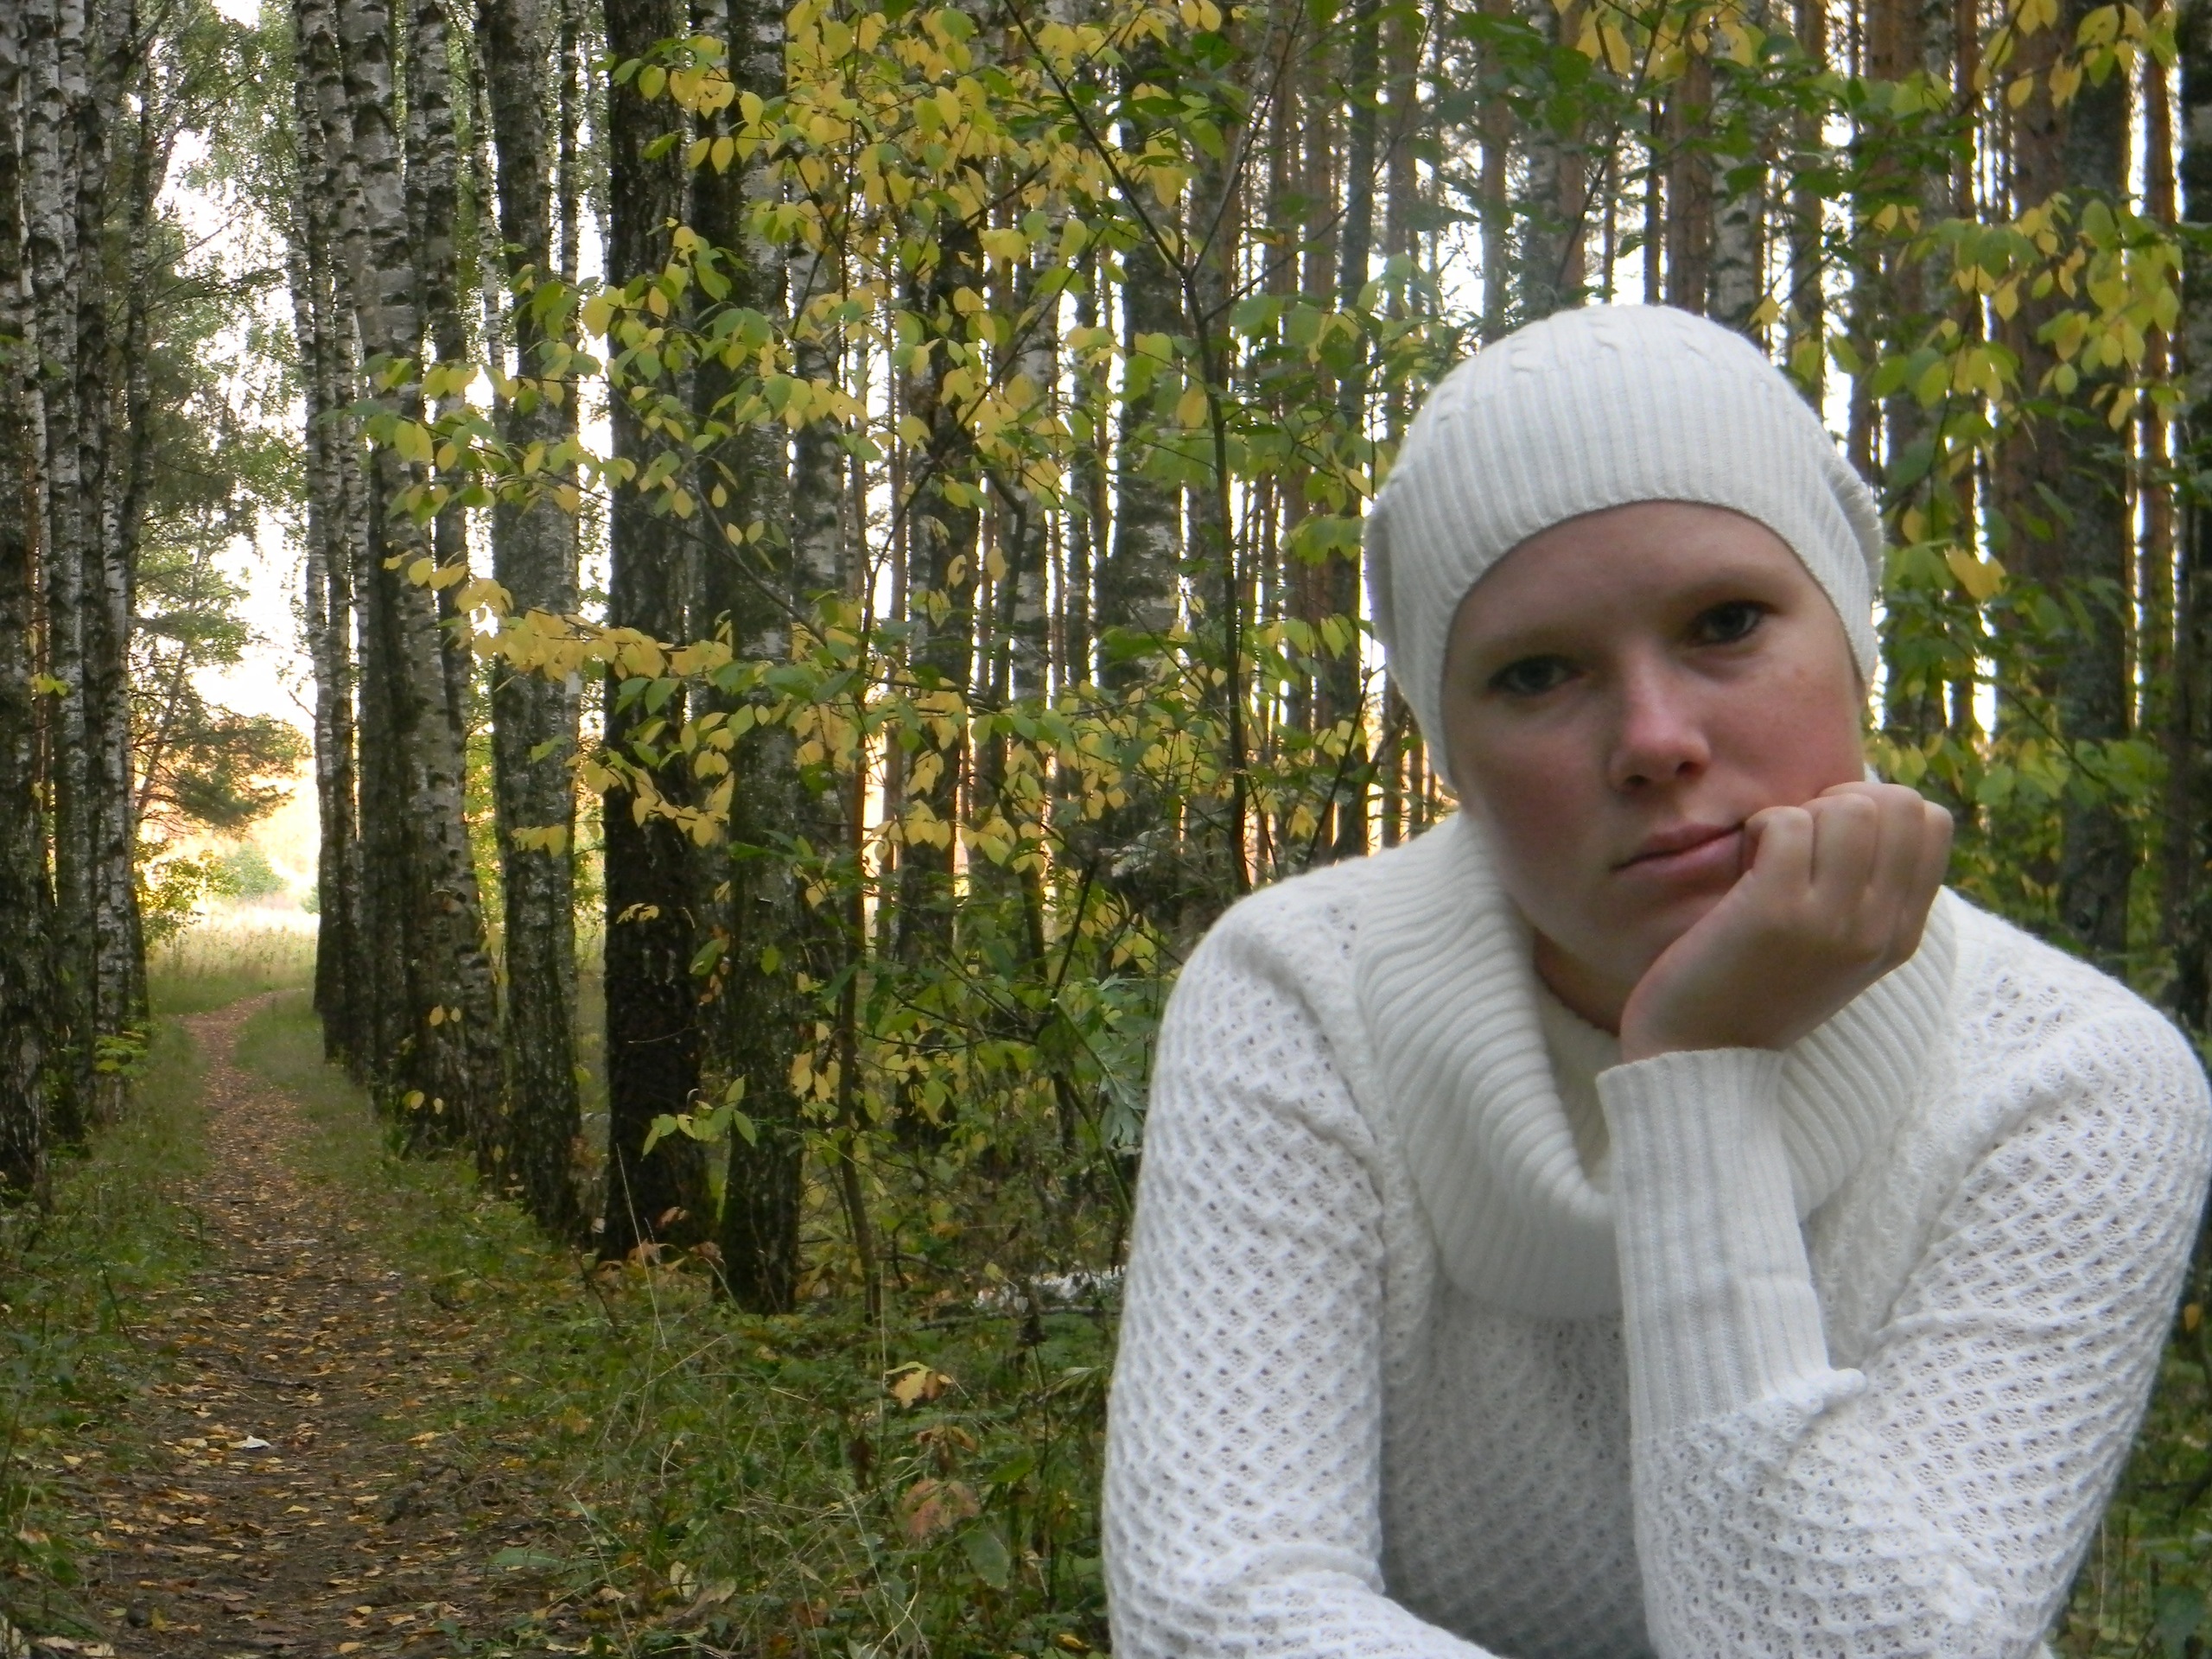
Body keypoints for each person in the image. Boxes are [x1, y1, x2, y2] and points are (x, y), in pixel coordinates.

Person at [1100, 303, 2212, 1659]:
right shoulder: (1300, 997)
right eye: (1536, 674)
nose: (1653, 737)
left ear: (1852, 639)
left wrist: (1696, 1077)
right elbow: (1215, 1604)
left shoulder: (2067, 1080)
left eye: (1726, 623)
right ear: (1453, 750)